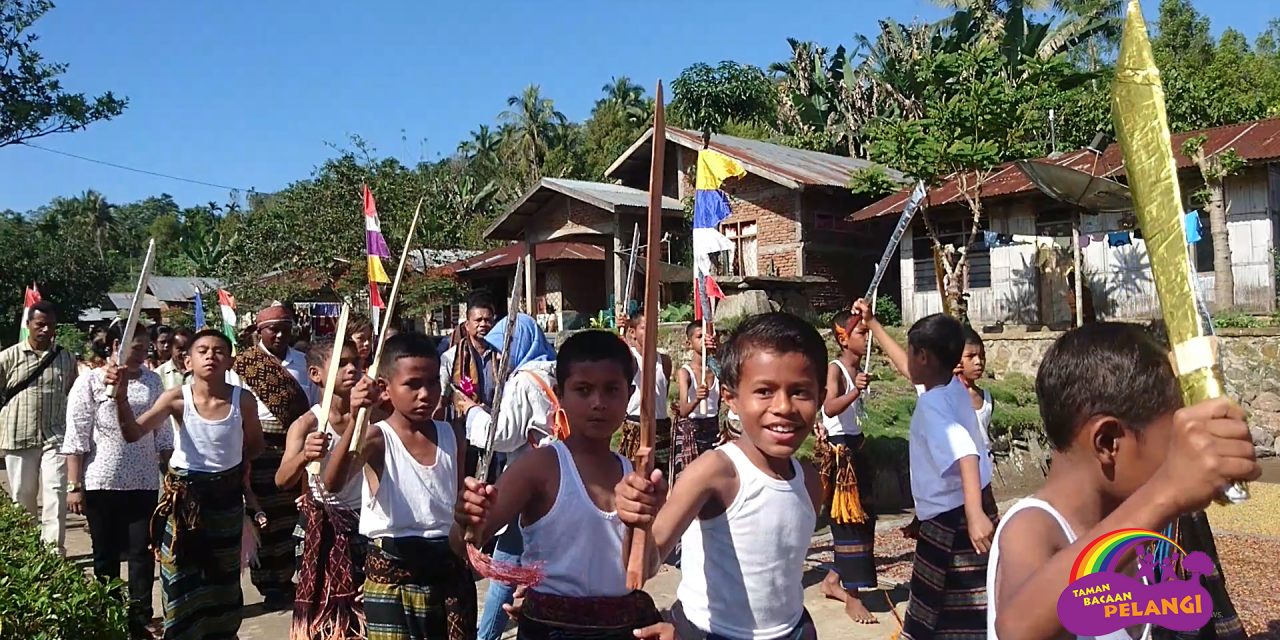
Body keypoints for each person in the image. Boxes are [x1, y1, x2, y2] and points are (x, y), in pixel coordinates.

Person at [987, 323, 1260, 639]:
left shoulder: (1126, 535)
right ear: (1107, 442)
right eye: (1174, 443)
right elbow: (1017, 629)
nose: (1180, 460)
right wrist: (1166, 492)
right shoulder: (1032, 527)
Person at [615, 312, 825, 639]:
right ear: (731, 398)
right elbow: (645, 565)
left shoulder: (810, 480)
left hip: (792, 629)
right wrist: (638, 521)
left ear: (820, 397)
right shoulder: (716, 472)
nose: (784, 406)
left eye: (800, 392)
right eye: (765, 391)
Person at [456, 330, 670, 640]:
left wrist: (647, 519)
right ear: (560, 394)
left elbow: (644, 565)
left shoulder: (633, 476)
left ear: (630, 393)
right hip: (550, 631)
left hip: (623, 629)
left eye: (612, 390)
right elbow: (466, 541)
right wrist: (467, 516)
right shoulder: (540, 467)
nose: (598, 403)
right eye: (583, 390)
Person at [111, 328, 265, 640]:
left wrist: (233, 474)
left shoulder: (243, 401)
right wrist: (121, 396)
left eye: (219, 350)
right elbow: (132, 433)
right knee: (179, 574)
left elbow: (255, 445)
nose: (211, 356)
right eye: (203, 350)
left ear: (231, 360)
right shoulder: (176, 399)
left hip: (226, 504)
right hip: (184, 504)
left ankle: (222, 633)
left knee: (223, 577)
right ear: (187, 361)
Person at [856, 302, 996, 638]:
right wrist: (873, 323)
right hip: (967, 505)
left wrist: (975, 515)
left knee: (939, 607)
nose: (908, 358)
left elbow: (965, 451)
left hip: (955, 516)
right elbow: (908, 368)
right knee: (969, 596)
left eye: (912, 350)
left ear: (925, 358)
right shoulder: (948, 385)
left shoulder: (933, 405)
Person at [326, 332, 475, 640]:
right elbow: (334, 483)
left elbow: (459, 507)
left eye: (433, 382)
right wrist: (356, 420)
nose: (425, 394)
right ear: (385, 388)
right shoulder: (377, 438)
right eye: (413, 384)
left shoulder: (452, 435)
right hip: (393, 578)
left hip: (447, 573)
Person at [63, 324, 173, 638]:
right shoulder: (90, 383)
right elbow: (77, 437)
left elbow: (162, 435)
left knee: (141, 553)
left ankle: (140, 619)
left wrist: (172, 474)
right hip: (101, 480)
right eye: (135, 347)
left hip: (143, 482)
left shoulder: (153, 382)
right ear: (116, 345)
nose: (143, 354)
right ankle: (108, 616)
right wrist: (75, 486)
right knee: (106, 555)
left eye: (145, 348)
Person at [453, 313, 557, 640]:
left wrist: (470, 410)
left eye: (501, 349)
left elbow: (502, 435)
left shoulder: (524, 380)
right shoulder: (551, 372)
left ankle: (487, 635)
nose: (498, 357)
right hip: (555, 477)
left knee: (504, 566)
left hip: (527, 482)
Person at [278, 337, 370, 640]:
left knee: (366, 611)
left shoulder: (374, 419)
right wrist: (305, 455)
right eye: (341, 364)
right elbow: (282, 479)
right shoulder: (306, 424)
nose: (352, 370)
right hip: (322, 526)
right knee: (322, 613)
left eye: (355, 363)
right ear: (316, 374)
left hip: (367, 523)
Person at [227, 303, 317, 609]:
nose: (279, 334)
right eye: (272, 329)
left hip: (296, 444)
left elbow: (315, 405)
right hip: (259, 444)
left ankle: (290, 577)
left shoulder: (304, 362)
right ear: (259, 331)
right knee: (264, 515)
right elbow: (235, 408)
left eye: (285, 328)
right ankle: (269, 584)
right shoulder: (244, 365)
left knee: (292, 514)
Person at [0, 299, 77, 556]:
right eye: (40, 325)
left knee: (56, 492)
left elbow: (72, 392)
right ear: (29, 325)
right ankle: (27, 553)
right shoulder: (9, 357)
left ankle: (54, 554)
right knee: (23, 495)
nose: (46, 330)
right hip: (18, 435)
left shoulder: (66, 358)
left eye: (51, 325)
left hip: (55, 436)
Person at [817, 310, 879, 624]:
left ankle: (832, 581)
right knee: (849, 521)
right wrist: (855, 389)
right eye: (862, 334)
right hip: (842, 454)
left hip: (857, 447)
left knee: (865, 518)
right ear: (843, 337)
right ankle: (853, 597)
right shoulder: (836, 369)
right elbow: (829, 406)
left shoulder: (854, 369)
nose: (867, 339)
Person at [441, 293, 499, 475]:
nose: (483, 324)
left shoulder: (502, 357)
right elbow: (441, 398)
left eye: (488, 320)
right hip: (462, 433)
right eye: (478, 320)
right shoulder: (451, 358)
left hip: (494, 430)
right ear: (467, 325)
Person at [618, 310, 673, 471]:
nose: (650, 331)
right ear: (633, 333)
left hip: (660, 426)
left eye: (653, 326)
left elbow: (664, 392)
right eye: (644, 327)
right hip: (636, 425)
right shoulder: (631, 359)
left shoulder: (664, 361)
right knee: (635, 474)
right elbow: (622, 354)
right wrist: (621, 329)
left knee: (660, 475)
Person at [674, 321, 720, 474]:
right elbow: (683, 410)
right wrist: (697, 399)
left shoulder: (716, 371)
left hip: (713, 430)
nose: (703, 341)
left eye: (705, 337)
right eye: (699, 337)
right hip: (693, 431)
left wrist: (716, 349)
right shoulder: (685, 373)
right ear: (689, 343)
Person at [956, 326, 993, 453]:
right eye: (970, 356)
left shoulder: (986, 398)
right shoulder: (945, 395)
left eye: (982, 356)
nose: (978, 362)